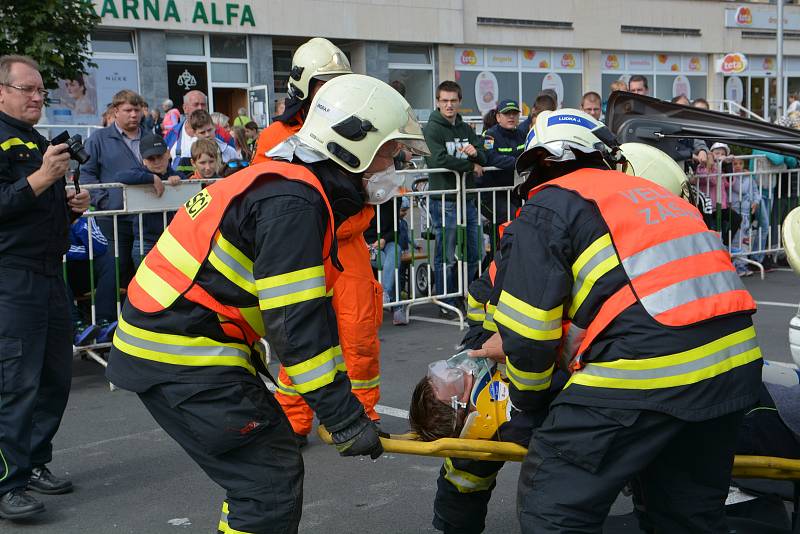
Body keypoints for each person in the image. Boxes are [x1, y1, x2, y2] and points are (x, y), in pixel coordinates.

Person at [105, 73, 428, 533]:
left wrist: (344, 411)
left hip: (176, 347)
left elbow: (300, 320)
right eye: (390, 152)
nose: (393, 165)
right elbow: (295, 327)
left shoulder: (286, 184)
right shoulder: (293, 202)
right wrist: (344, 418)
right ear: (352, 144)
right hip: (183, 354)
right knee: (267, 480)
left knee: (263, 474)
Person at [479, 108, 761, 533]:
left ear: (538, 165)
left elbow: (529, 333)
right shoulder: (655, 196)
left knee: (554, 509)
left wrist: (526, 409)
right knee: (686, 518)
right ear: (609, 157)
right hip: (732, 371)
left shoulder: (548, 206)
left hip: (646, 371)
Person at [252, 38, 384, 446]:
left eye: (336, 82)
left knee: (359, 332)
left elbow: (373, 182)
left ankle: (362, 415)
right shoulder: (275, 137)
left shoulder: (354, 127)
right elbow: (266, 192)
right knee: (300, 333)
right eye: (323, 82)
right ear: (303, 86)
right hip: (304, 248)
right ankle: (295, 420)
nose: (331, 90)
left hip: (349, 242)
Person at [0, 54, 91, 519]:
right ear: (2, 91)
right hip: (11, 276)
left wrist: (70, 203)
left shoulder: (35, 141)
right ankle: (6, 484)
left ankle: (34, 463)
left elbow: (37, 208)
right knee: (15, 382)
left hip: (49, 272)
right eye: (27, 89)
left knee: (54, 376)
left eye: (41, 90)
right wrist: (40, 180)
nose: (38, 97)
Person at [81, 89, 150, 337]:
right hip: (111, 219)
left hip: (145, 216)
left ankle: (140, 324)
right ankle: (104, 325)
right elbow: (86, 172)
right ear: (115, 112)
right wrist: (102, 201)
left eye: (137, 109)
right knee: (113, 268)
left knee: (142, 270)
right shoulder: (99, 139)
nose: (134, 115)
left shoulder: (150, 136)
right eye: (128, 110)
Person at [423, 80, 487, 317]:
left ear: (459, 102)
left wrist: (477, 155)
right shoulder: (432, 128)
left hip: (467, 199)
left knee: (474, 251)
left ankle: (465, 294)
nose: (449, 105)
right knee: (446, 254)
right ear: (438, 102)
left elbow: (484, 154)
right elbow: (437, 160)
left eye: (453, 100)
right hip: (444, 200)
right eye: (444, 101)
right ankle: (445, 300)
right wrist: (470, 164)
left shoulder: (466, 129)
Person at [116, 134, 182, 266]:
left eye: (160, 156)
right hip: (145, 241)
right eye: (151, 159)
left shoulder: (177, 175)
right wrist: (152, 178)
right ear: (144, 160)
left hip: (173, 239)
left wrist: (178, 180)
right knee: (143, 283)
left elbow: (186, 181)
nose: (157, 161)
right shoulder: (139, 172)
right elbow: (120, 176)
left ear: (168, 154)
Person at [480, 99, 526, 254]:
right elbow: (490, 158)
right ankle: (496, 268)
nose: (511, 117)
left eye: (514, 113)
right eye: (507, 114)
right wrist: (518, 162)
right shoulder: (489, 135)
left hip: (512, 192)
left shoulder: (522, 134)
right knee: (511, 218)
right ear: (498, 117)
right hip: (489, 195)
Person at [164, 90, 234, 157]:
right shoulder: (172, 133)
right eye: (196, 104)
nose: (200, 108)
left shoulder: (222, 133)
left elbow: (234, 160)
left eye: (203, 105)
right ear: (185, 108)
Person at [170, 110, 237, 178]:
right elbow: (181, 183)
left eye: (209, 130)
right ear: (194, 133)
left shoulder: (229, 151)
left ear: (214, 127)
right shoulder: (186, 154)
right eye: (202, 132)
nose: (207, 135)